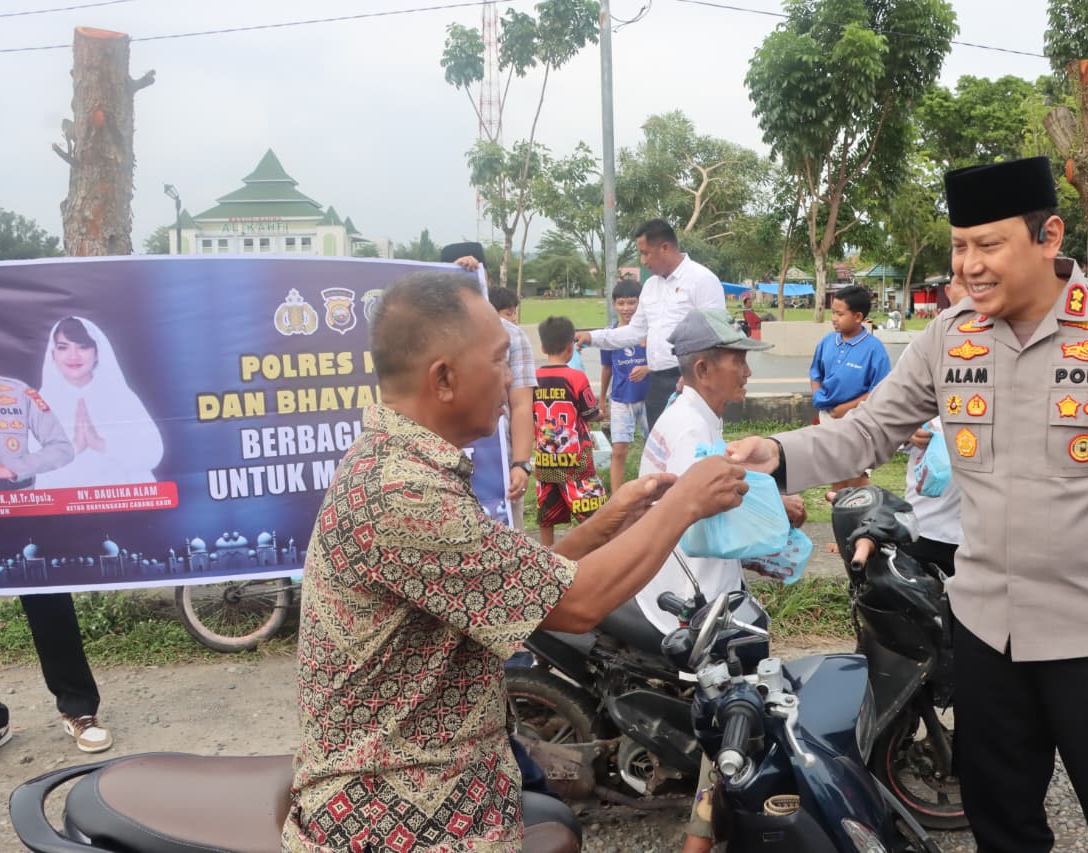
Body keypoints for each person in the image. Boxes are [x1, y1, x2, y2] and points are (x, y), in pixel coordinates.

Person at [727, 156, 1088, 853]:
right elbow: (869, 430)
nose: (970, 265)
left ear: (1048, 237)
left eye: (989, 244)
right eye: (960, 246)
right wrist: (774, 453)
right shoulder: (950, 336)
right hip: (988, 633)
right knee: (1001, 823)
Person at [281, 270, 748, 852]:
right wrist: (684, 503)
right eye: (500, 360)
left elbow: (515, 579)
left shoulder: (402, 465)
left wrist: (610, 519)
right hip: (401, 807)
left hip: (450, 773)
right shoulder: (404, 494)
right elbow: (576, 604)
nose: (511, 378)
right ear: (444, 378)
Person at [626, 308, 801, 853]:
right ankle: (701, 839)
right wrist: (777, 511)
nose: (746, 371)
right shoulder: (690, 428)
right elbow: (702, 511)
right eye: (736, 360)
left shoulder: (694, 414)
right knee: (741, 697)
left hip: (689, 577)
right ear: (703, 368)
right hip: (689, 597)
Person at [0, 310, 111, 758]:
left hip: (18, 514)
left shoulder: (16, 394)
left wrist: (13, 467)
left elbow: (60, 448)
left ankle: (79, 709)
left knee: (50, 605)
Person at [575, 219, 725, 428]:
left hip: (693, 380)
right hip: (657, 382)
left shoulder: (702, 280)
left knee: (696, 441)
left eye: (645, 253)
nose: (643, 260)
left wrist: (693, 377)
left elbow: (717, 335)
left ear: (665, 248)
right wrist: (592, 337)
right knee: (661, 443)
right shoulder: (650, 286)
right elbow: (635, 332)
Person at [34, 316, 163, 489]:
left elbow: (153, 454)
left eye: (83, 347)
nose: (73, 356)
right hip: (64, 502)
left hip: (122, 499)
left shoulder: (121, 396)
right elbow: (27, 466)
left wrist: (100, 444)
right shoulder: (39, 403)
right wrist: (74, 448)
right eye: (63, 347)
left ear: (97, 353)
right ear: (53, 354)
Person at [901, 276, 967, 577]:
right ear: (949, 292)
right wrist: (908, 433)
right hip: (929, 520)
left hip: (992, 530)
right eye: (965, 283)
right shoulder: (925, 349)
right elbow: (890, 417)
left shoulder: (1017, 349)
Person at [533, 316, 606, 547]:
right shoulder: (576, 377)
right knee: (590, 508)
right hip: (576, 459)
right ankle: (592, 552)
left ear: (543, 347)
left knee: (547, 509)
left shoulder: (533, 378)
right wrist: (603, 413)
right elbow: (590, 413)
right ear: (570, 348)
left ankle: (546, 553)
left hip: (545, 458)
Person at [487, 285, 539, 528]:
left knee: (508, 537)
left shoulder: (512, 335)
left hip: (501, 464)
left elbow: (521, 405)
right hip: (446, 466)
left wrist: (521, 464)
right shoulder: (430, 331)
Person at [810, 284, 891, 422]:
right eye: (833, 312)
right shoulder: (827, 341)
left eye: (840, 314)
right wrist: (817, 395)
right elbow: (815, 373)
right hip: (826, 416)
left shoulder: (874, 349)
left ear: (858, 317)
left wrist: (845, 409)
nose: (834, 318)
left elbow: (879, 391)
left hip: (857, 419)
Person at [599, 279, 649, 492]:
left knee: (653, 448)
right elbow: (606, 368)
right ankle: (617, 498)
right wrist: (602, 399)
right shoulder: (610, 335)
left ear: (641, 303)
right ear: (614, 304)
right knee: (619, 450)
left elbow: (663, 361)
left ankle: (651, 492)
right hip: (620, 399)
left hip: (649, 399)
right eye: (621, 303)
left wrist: (647, 368)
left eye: (631, 302)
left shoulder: (651, 331)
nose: (626, 308)